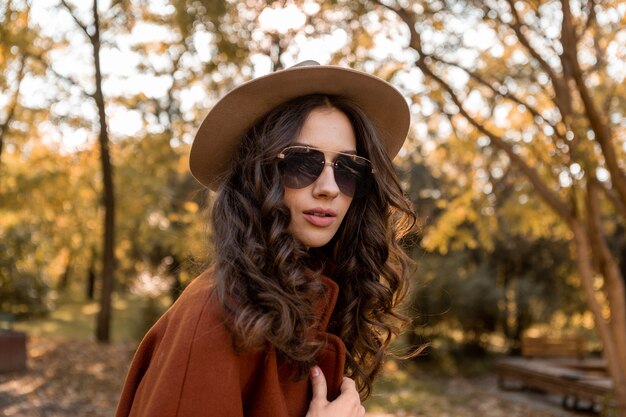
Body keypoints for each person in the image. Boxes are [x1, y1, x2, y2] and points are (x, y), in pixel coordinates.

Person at [115, 60, 416, 417]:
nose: (329, 188)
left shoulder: (314, 303)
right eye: (303, 163)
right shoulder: (212, 318)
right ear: (258, 177)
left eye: (348, 168)